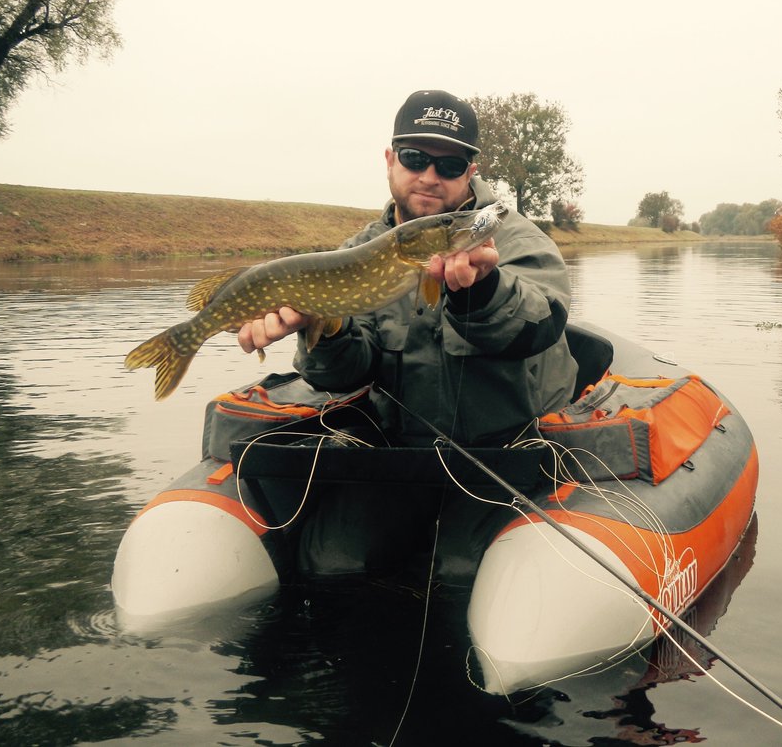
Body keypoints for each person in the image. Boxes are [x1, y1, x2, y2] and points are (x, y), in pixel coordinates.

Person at [236, 89, 579, 578]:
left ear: (471, 171)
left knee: (461, 572)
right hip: (400, 455)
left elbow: (543, 320)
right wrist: (322, 329)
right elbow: (348, 372)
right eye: (416, 158)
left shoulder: (505, 235)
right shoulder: (359, 252)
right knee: (330, 563)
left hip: (509, 454)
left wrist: (484, 293)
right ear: (390, 159)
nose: (430, 176)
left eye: (450, 165)